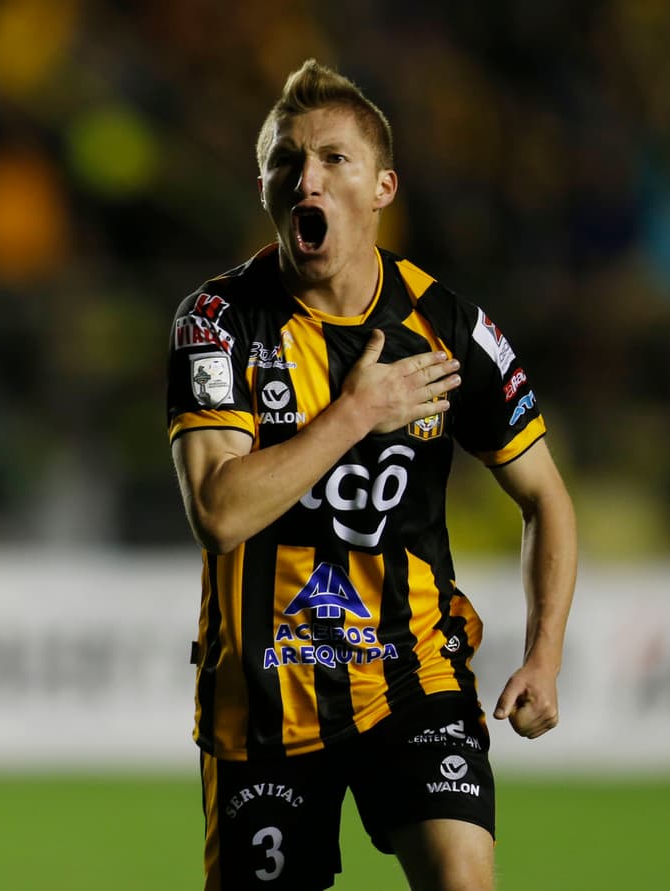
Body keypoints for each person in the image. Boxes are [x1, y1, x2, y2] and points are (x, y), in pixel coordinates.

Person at [166, 59, 576, 891]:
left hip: (411, 674)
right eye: (287, 161)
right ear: (265, 188)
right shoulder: (218, 321)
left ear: (383, 186)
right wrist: (355, 412)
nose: (305, 176)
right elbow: (218, 511)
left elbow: (546, 497)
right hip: (267, 701)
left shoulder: (446, 326)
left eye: (332, 159)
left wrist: (544, 655)